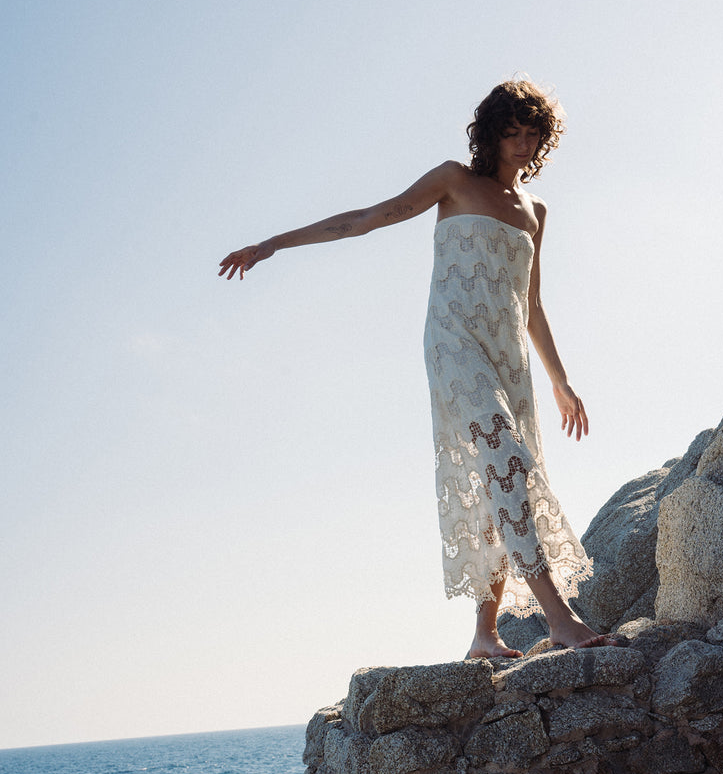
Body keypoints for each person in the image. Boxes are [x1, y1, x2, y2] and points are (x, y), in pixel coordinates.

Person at [219, 78, 612, 659]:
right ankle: (558, 616)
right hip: (454, 345)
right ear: (491, 133)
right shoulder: (454, 180)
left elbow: (530, 303)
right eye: (512, 133)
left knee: (493, 482)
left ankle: (485, 633)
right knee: (505, 460)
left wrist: (561, 380)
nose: (523, 145)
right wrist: (273, 244)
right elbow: (369, 218)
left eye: (533, 135)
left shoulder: (536, 211)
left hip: (509, 357)